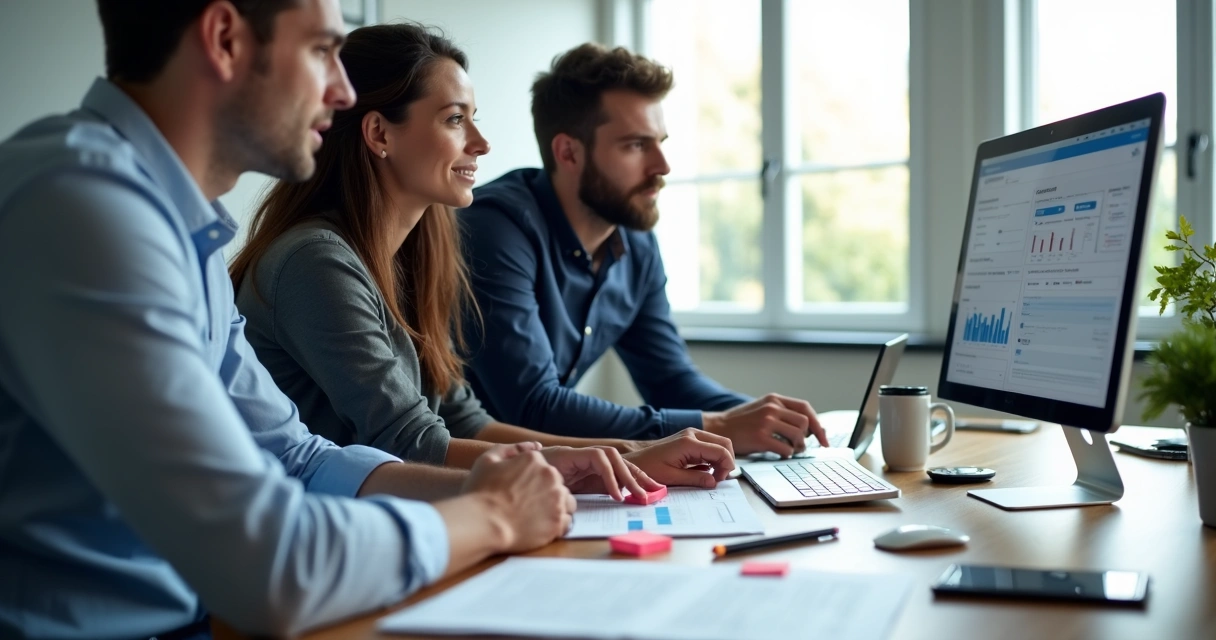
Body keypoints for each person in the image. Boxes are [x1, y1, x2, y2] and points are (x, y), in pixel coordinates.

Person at [0, 2, 585, 638]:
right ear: (224, 40)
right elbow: (271, 566)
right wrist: (492, 513)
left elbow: (298, 458)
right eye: (320, 52)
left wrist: (514, 479)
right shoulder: (85, 209)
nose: (340, 93)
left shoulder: (182, 226)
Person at [229, 23, 736, 490]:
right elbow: (410, 441)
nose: (482, 143)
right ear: (379, 134)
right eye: (455, 120)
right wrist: (619, 457)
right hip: (319, 536)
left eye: (475, 119)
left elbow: (466, 420)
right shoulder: (317, 262)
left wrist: (629, 453)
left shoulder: (411, 259)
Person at [459, 43, 829, 457]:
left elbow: (670, 379)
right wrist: (720, 426)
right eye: (636, 145)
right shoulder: (495, 230)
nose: (662, 166)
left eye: (660, 142)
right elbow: (533, 406)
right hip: (457, 471)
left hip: (547, 468)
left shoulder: (635, 241)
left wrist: (767, 420)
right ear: (568, 152)